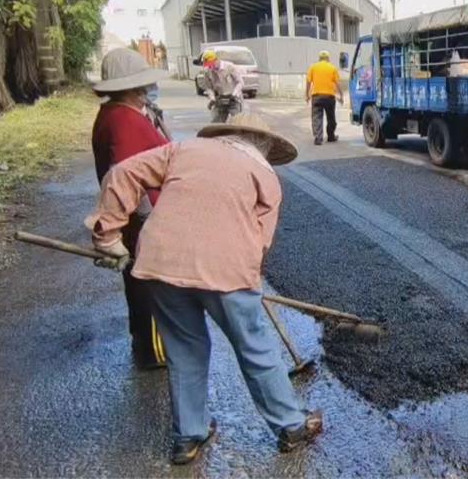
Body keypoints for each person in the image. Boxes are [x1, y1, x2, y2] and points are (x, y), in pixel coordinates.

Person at [86, 114, 322, 464]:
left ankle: (188, 436)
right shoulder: (265, 175)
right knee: (254, 348)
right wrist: (247, 278)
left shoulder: (182, 150)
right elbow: (260, 240)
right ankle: (291, 425)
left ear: (224, 134)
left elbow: (121, 173)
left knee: (184, 350)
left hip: (161, 263)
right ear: (263, 146)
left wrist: (107, 235)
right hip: (226, 271)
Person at [91, 48, 171, 370]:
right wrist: (147, 219)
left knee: (143, 282)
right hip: (141, 218)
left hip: (139, 217)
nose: (144, 92)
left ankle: (147, 347)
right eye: (139, 87)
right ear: (125, 88)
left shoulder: (122, 114)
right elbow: (127, 175)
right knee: (149, 283)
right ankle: (154, 353)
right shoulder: (122, 120)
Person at [306, 50, 343, 145]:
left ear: (319, 58)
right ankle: (331, 136)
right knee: (331, 117)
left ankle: (318, 138)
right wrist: (341, 95)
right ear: (328, 58)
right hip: (329, 97)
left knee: (316, 117)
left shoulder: (313, 67)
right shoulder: (332, 68)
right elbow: (338, 83)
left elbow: (308, 82)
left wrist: (307, 95)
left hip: (316, 96)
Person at [201, 50, 245, 123]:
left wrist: (234, 95)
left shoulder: (229, 67)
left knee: (237, 122)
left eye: (211, 64)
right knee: (216, 123)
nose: (210, 67)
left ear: (216, 60)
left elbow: (240, 82)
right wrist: (212, 98)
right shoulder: (207, 72)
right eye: (208, 65)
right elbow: (208, 87)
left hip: (234, 99)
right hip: (220, 99)